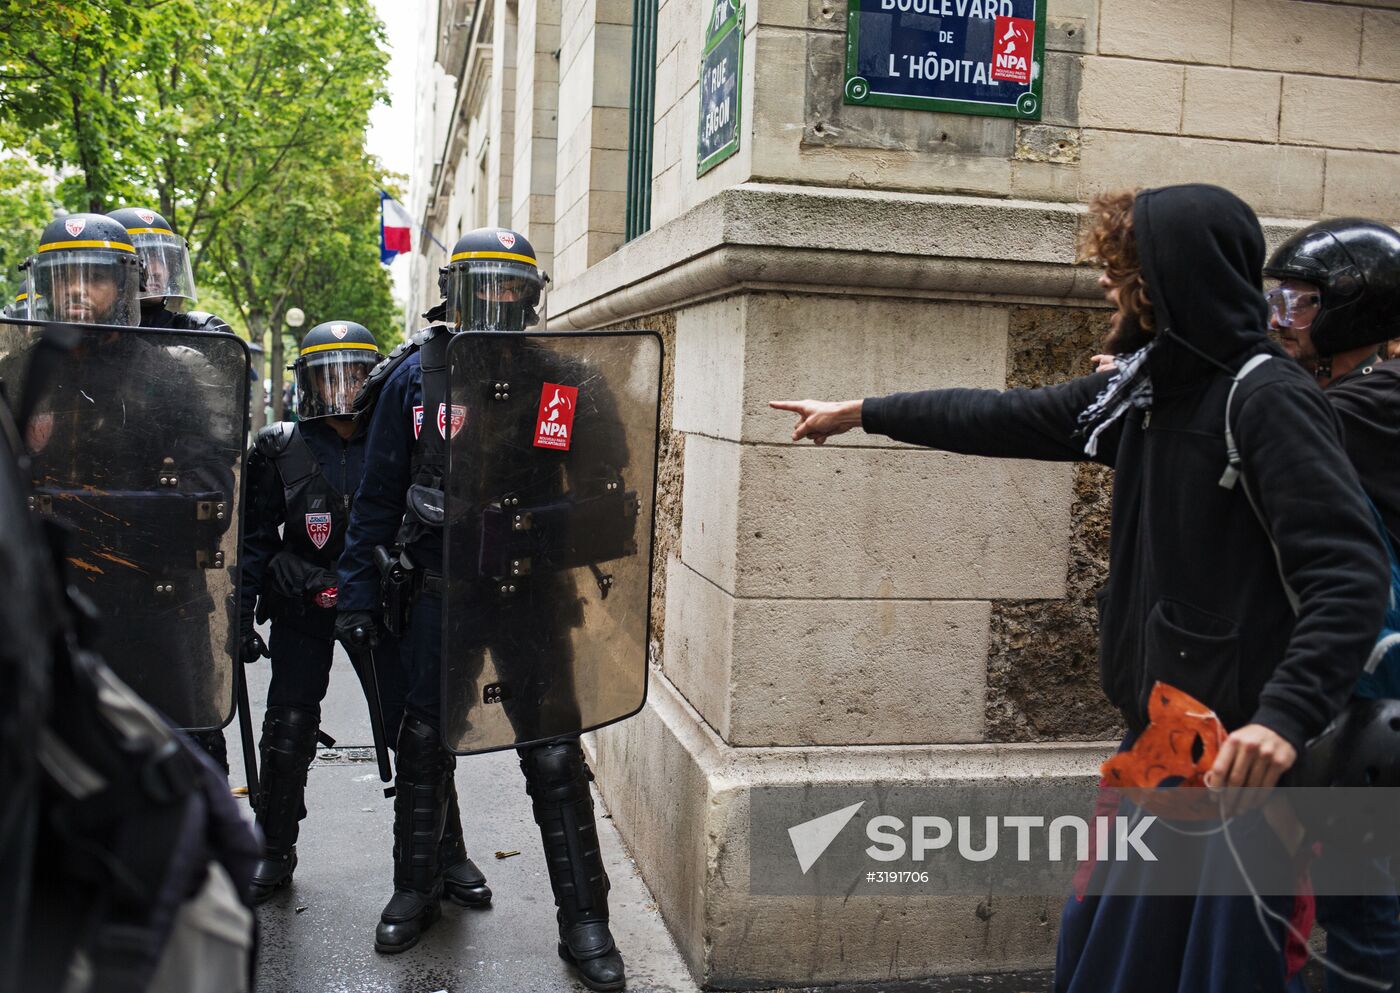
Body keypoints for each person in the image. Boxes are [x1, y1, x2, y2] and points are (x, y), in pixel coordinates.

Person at [772, 184, 1389, 993]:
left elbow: (1349, 572)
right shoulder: (1143, 390)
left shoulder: (1266, 397)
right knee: (1108, 957)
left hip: (1231, 774)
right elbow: (1004, 415)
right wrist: (864, 411)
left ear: (1173, 280)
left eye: (1121, 268)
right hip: (1162, 745)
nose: (1106, 285)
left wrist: (1284, 716)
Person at [336, 227, 626, 991]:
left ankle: (585, 919)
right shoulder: (416, 379)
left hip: (532, 594)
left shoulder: (564, 381)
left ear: (530, 297)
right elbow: (376, 499)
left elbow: (607, 489)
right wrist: (359, 596)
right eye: (483, 285)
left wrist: (571, 514)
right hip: (438, 589)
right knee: (426, 739)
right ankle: (415, 887)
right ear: (454, 293)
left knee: (555, 752)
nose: (497, 299)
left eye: (510, 286)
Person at [1264, 217, 1400, 992]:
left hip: (1374, 690)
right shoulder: (1345, 392)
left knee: (1363, 892)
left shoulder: (1373, 400)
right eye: (1278, 298)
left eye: (1301, 302)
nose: (1281, 317)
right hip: (1358, 684)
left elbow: (1267, 424)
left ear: (1356, 308)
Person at [239, 320, 405, 901]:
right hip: (303, 605)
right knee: (287, 724)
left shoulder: (394, 435)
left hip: (377, 605)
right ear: (306, 382)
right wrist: (239, 618)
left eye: (356, 374)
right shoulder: (278, 446)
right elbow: (255, 538)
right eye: (329, 375)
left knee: (413, 729)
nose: (343, 387)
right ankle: (274, 849)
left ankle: (441, 852)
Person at [107, 206, 230, 332]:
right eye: (143, 259)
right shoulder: (89, 332)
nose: (157, 271)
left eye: (163, 260)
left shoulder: (194, 333)